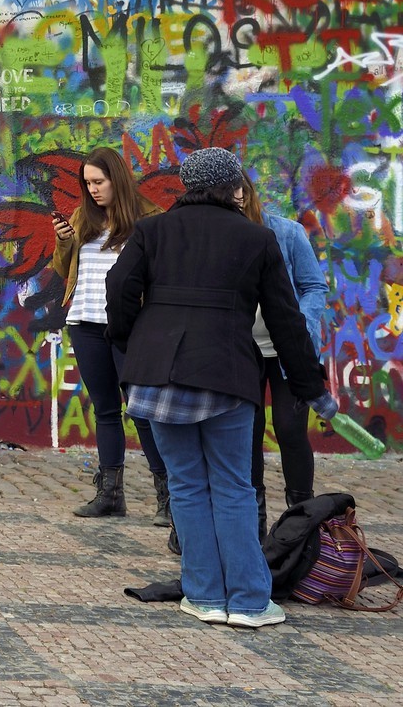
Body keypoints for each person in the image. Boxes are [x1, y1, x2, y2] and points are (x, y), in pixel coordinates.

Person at [108, 147, 336, 629]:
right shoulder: (257, 237)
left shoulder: (153, 230)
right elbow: (285, 320)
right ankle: (250, 602)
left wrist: (133, 341)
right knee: (233, 486)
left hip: (157, 376)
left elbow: (119, 287)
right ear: (233, 188)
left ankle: (204, 595)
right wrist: (311, 385)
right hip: (226, 372)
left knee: (187, 486)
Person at [47, 146, 168, 522]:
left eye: (99, 182)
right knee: (105, 409)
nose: (93, 190)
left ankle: (169, 496)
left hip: (130, 326)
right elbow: (62, 269)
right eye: (87, 183)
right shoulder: (84, 215)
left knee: (143, 410)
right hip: (84, 320)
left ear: (118, 178)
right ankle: (110, 494)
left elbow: (160, 274)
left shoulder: (151, 218)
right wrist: (65, 240)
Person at [240, 177, 328, 537]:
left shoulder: (288, 233)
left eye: (239, 191)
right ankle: (255, 523)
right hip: (242, 349)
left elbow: (314, 285)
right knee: (247, 434)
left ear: (247, 191)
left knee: (290, 431)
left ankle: (300, 521)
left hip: (288, 350)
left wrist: (297, 326)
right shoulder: (224, 236)